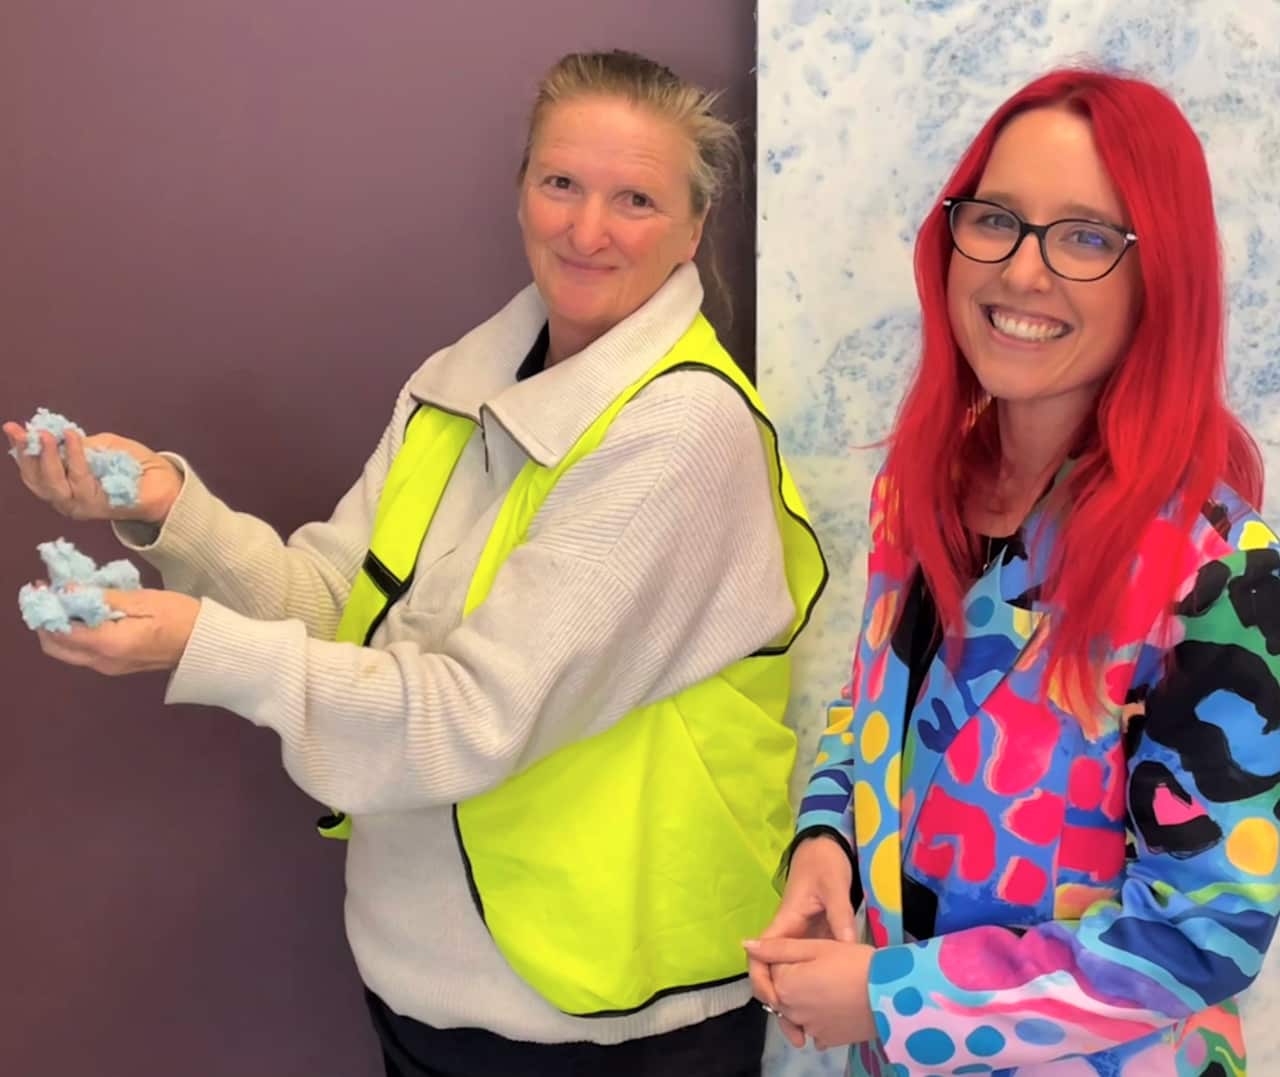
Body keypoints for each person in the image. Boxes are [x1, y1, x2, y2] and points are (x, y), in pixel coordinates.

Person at [7, 50, 826, 1077]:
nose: (584, 229)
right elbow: (333, 606)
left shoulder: (681, 433)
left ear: (694, 231)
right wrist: (178, 513)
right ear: (519, 189)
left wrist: (198, 647)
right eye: (559, 182)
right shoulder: (456, 384)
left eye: (636, 199)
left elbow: (466, 716)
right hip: (418, 977)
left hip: (605, 1016)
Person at [745, 68, 1280, 1075]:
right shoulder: (920, 491)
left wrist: (885, 998)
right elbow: (867, 715)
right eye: (995, 219)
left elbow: (1199, 939)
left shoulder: (1220, 576)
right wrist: (823, 842)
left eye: (1083, 237)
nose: (1021, 272)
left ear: (1154, 275)